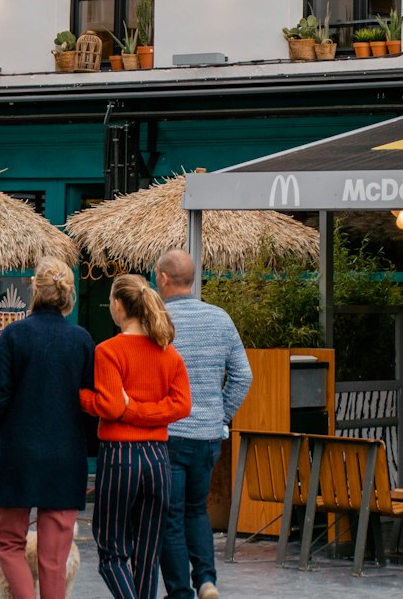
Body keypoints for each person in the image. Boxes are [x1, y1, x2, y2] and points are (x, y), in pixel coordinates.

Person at [0, 257, 95, 599]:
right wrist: (87, 446)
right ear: (68, 294)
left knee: (10, 542)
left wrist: (4, 432)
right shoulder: (81, 340)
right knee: (54, 558)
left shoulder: (14, 335)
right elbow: (90, 400)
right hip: (65, 455)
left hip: (19, 451)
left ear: (35, 289)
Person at [80, 273, 192, 599]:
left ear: (117, 305)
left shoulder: (109, 351)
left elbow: (112, 407)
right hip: (158, 458)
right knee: (147, 554)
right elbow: (182, 405)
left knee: (111, 552)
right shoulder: (167, 352)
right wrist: (144, 413)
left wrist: (82, 398)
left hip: (120, 456)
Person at [154, 249, 252, 599]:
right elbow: (243, 376)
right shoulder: (220, 318)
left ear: (164, 278)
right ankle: (207, 580)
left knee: (171, 517)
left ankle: (181, 592)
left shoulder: (157, 319)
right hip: (208, 437)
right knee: (197, 511)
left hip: (169, 433)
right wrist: (220, 415)